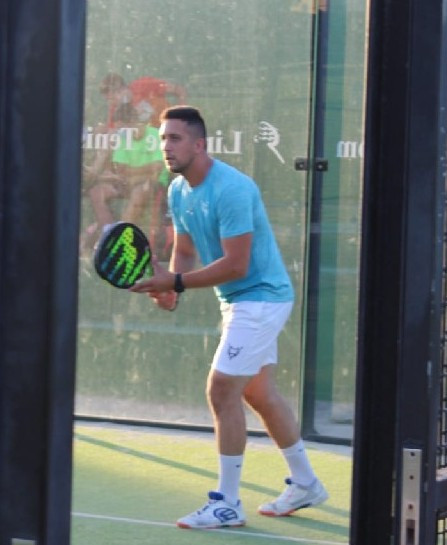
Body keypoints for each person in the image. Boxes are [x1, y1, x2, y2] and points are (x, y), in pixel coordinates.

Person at [129, 106, 328, 529]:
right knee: (258, 393)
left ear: (199, 144)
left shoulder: (233, 189)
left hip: (260, 297)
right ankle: (306, 483)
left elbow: (237, 265)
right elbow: (185, 251)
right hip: (240, 301)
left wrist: (175, 282)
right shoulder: (178, 189)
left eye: (175, 138)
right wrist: (171, 288)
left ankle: (227, 503)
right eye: (163, 139)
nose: (166, 147)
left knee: (221, 390)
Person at [83, 103, 167, 249]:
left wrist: (135, 174)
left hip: (152, 183)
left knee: (139, 192)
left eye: (121, 128)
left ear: (132, 123)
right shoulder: (123, 138)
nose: (119, 132)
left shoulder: (155, 135)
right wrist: (140, 171)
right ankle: (108, 232)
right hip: (128, 182)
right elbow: (122, 169)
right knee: (97, 192)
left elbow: (157, 168)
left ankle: (121, 238)